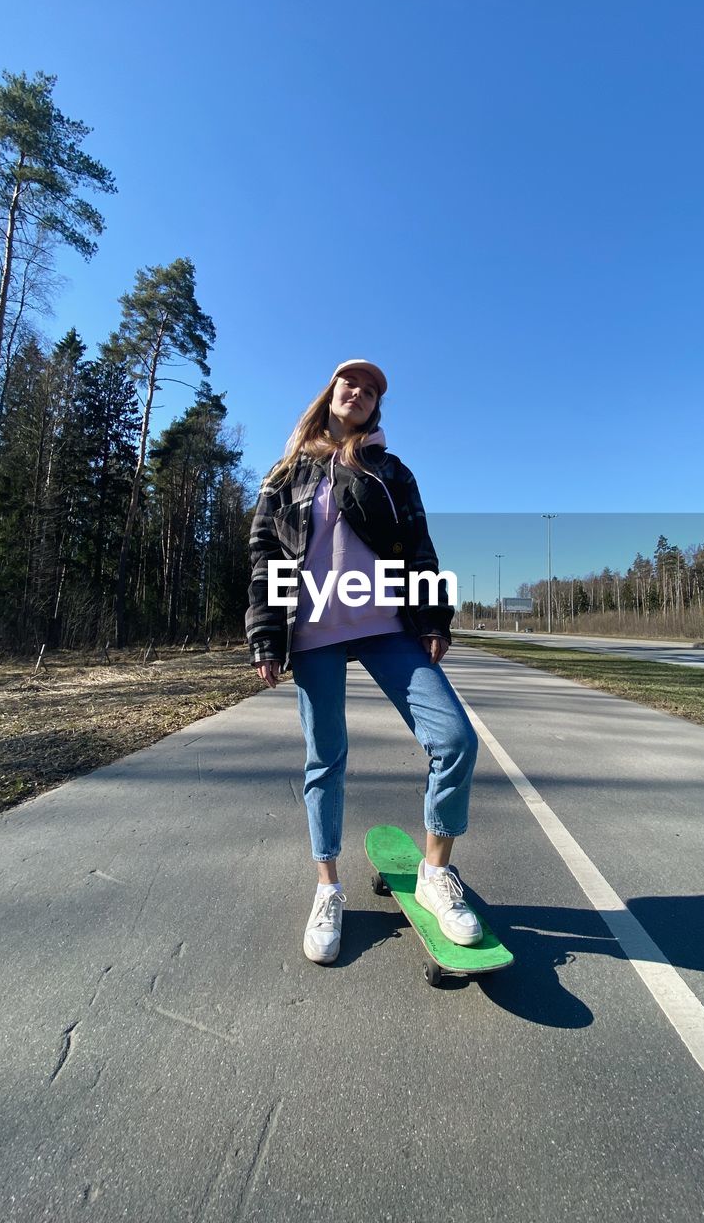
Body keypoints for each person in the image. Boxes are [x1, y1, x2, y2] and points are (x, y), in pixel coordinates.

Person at [246, 358, 481, 964]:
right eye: (350, 383)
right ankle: (327, 888)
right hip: (314, 632)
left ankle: (435, 875)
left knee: (454, 738)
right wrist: (266, 635)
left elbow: (420, 544)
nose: (359, 392)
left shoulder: (390, 471)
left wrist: (433, 617)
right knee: (325, 758)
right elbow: (266, 556)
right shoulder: (286, 474)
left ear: (376, 409)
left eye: (371, 391)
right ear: (330, 394)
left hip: (386, 627)